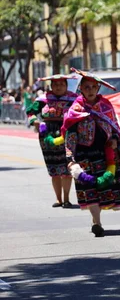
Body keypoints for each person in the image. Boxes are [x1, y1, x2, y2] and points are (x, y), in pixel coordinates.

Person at [62, 69, 120, 237]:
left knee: (103, 189)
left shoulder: (105, 106)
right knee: (89, 191)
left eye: (93, 87)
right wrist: (70, 156)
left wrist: (115, 141)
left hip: (104, 154)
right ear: (81, 89)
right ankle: (96, 222)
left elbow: (114, 127)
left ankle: (96, 219)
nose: (90, 90)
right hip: (84, 155)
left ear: (98, 88)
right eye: (86, 87)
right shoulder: (75, 108)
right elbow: (70, 133)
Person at [26, 74, 78, 208]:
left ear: (66, 86)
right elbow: (30, 112)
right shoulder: (43, 99)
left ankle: (66, 199)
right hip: (47, 134)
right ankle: (58, 199)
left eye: (61, 84)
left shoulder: (74, 99)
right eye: (55, 84)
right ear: (51, 86)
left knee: (67, 166)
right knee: (53, 167)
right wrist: (35, 121)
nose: (58, 87)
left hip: (67, 133)